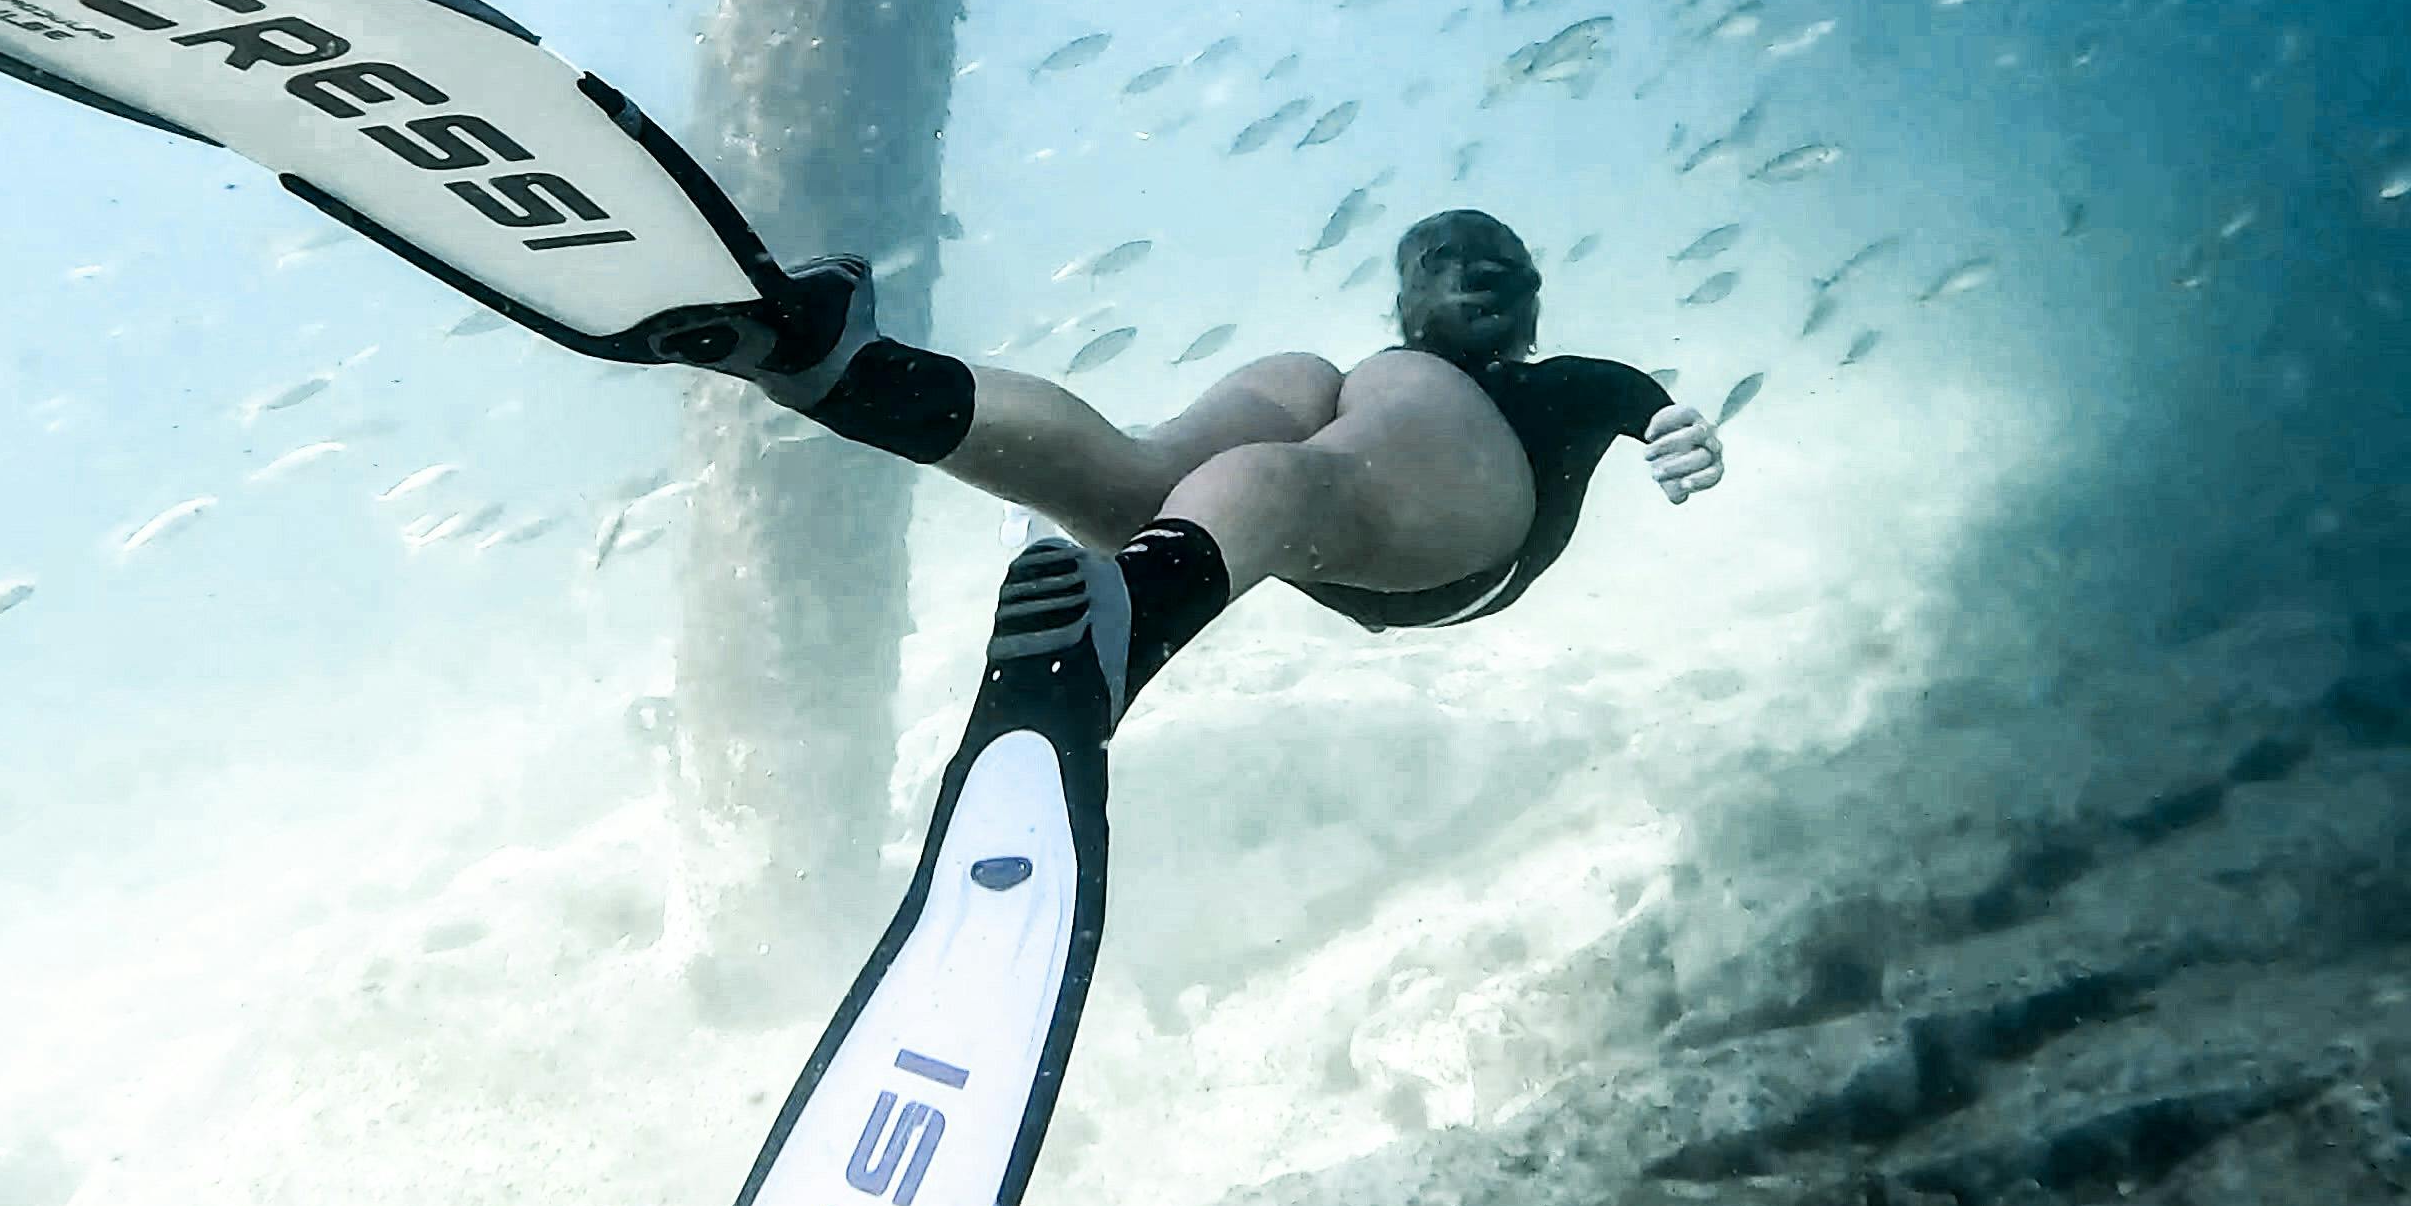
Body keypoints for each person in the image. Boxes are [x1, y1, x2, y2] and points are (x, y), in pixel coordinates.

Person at [682, 208, 1725, 731]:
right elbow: (1645, 406)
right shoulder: (1360, 383)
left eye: (1493, 265)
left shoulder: (1549, 390)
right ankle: (845, 372)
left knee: (1277, 465)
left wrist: (1679, 433)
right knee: (1154, 477)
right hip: (1327, 534)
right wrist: (1675, 430)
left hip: (1445, 551)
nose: (1474, 276)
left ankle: (1120, 611)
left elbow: (1642, 404)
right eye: (1444, 263)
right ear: (1412, 295)